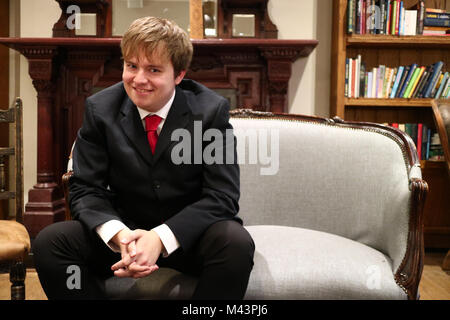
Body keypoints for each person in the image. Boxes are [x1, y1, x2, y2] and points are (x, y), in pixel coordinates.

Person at [33, 16, 255, 300]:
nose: (139, 79)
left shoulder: (210, 112)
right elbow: (85, 188)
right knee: (51, 243)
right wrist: (120, 236)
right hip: (124, 235)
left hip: (189, 237)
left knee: (235, 243)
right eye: (132, 66)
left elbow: (222, 195)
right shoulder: (100, 110)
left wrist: (160, 238)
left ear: (179, 75)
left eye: (153, 69)